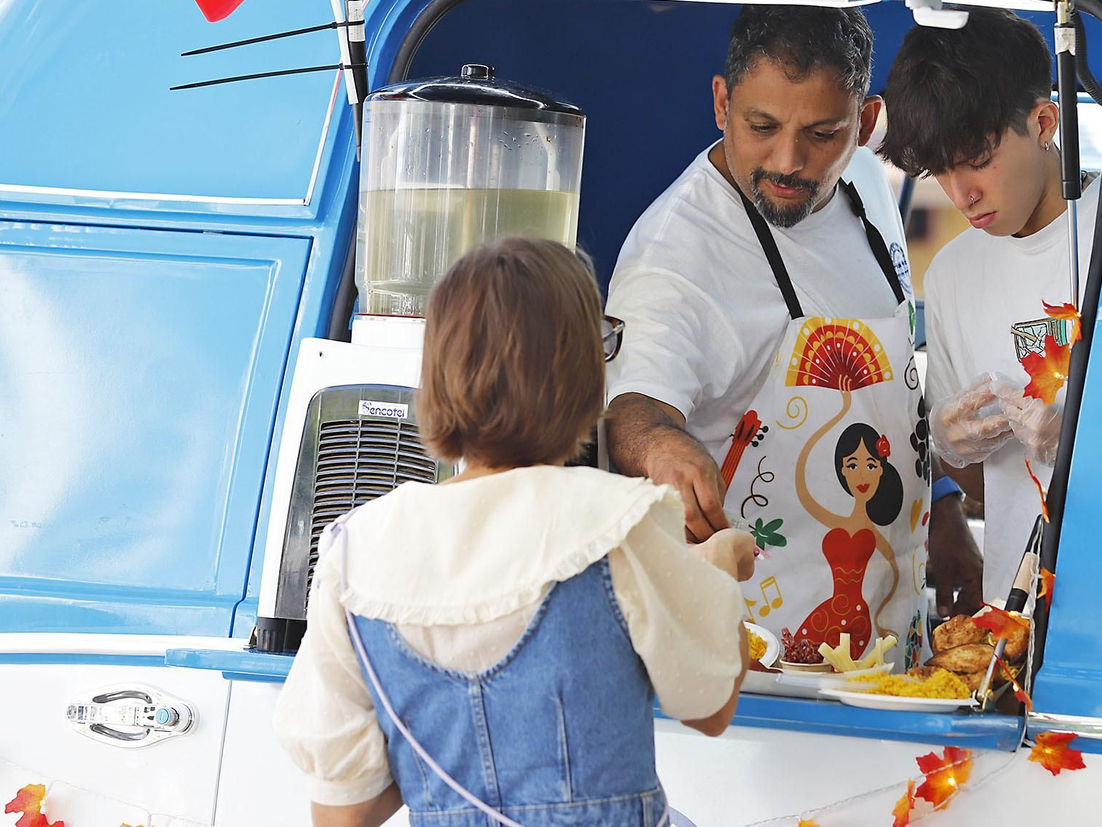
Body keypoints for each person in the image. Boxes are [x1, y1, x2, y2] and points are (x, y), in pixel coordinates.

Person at [275, 236, 754, 827]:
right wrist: (722, 565)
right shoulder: (620, 518)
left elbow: (343, 816)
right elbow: (709, 708)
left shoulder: (355, 551)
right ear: (583, 377)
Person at [605, 5, 983, 664]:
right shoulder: (675, 254)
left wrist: (944, 503)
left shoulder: (864, 180)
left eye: (820, 133)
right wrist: (660, 444)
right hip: (759, 658)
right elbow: (635, 405)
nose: (788, 159)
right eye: (762, 126)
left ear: (865, 124)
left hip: (894, 627)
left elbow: (895, 384)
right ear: (722, 102)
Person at [878, 6, 1100, 606]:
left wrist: (1087, 438)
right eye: (940, 171)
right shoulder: (952, 273)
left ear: (1044, 121)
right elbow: (985, 483)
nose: (961, 194)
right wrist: (949, 448)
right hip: (1014, 622)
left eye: (977, 160)